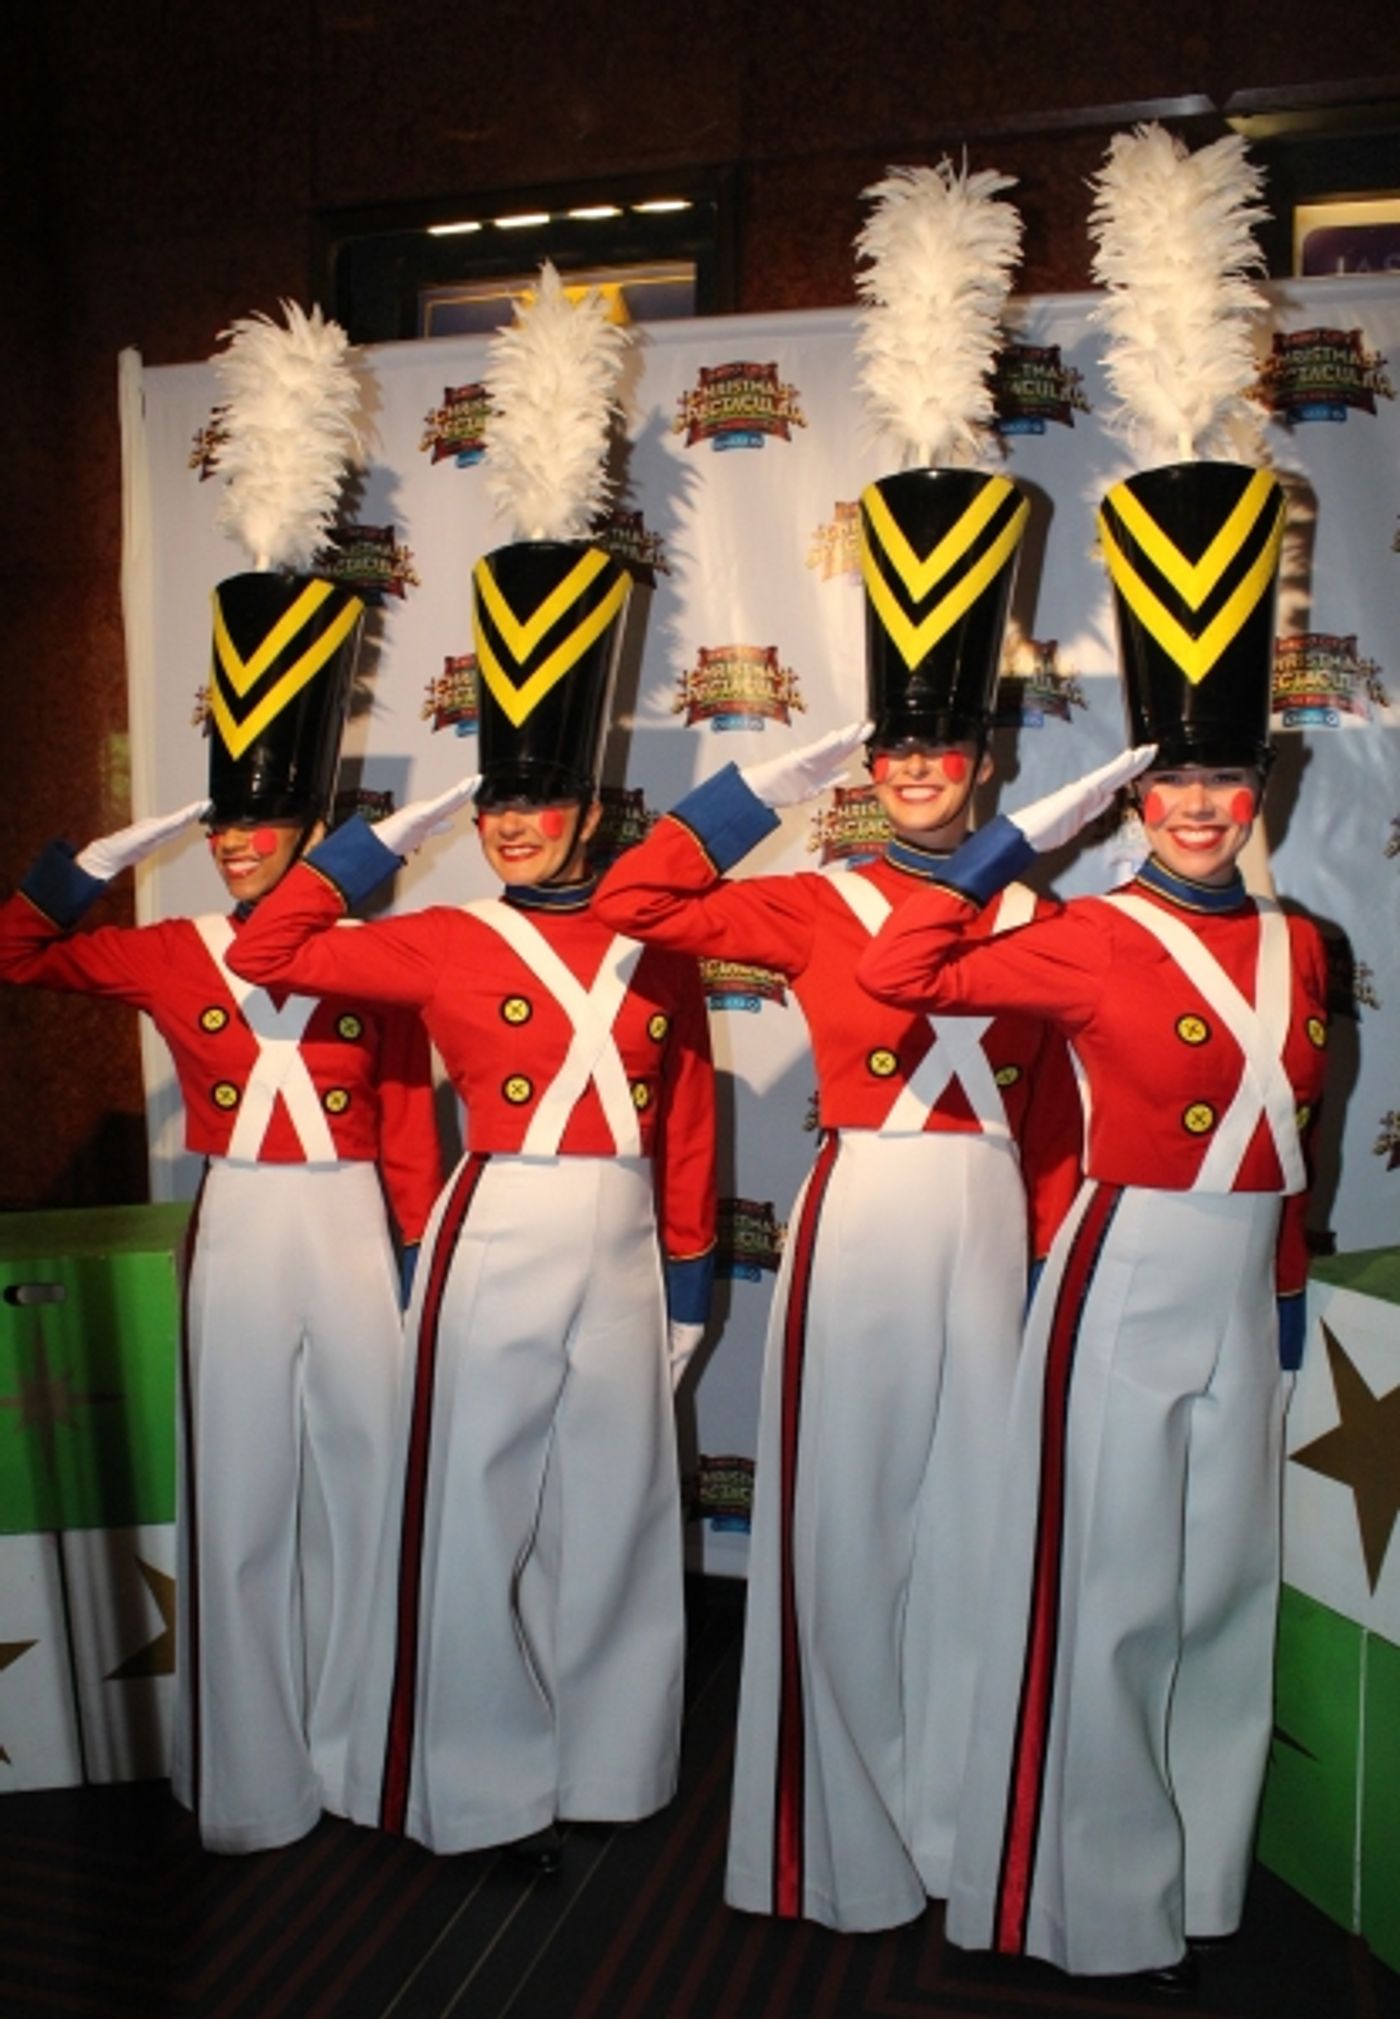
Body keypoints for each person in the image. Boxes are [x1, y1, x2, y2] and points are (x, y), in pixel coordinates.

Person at [857, 459, 1328, 1984]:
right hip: (1113, 1279)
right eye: (1171, 781)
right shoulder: (1085, 933)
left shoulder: (1306, 947)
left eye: (1223, 780)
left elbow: (1294, 1147)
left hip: (1236, 1288)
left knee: (1220, 1596)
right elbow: (905, 975)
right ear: (1134, 789)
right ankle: (1088, 1896)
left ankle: (1196, 1880)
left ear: (1260, 787)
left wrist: (1282, 1293)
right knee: (1107, 1598)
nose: (1198, 807)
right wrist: (1009, 846)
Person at [592, 467, 1082, 1932]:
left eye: (945, 746)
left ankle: (964, 1814)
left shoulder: (1039, 913)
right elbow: (634, 901)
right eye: (897, 748)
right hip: (860, 1211)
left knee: (983, 1523)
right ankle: (850, 1845)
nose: (922, 769)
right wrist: (773, 785)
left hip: (993, 1221)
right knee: (847, 1528)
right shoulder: (812, 899)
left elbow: (1056, 1113)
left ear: (988, 761)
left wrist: (1056, 1256)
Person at [226, 533, 717, 1864]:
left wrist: (686, 1275)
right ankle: (477, 1786)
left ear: (594, 807)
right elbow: (269, 948)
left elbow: (690, 1120)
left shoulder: (656, 936)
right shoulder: (445, 936)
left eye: (538, 795)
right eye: (496, 796)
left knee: (616, 1505)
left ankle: (613, 1765)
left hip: (618, 1240)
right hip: (492, 1225)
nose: (511, 819)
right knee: (470, 1511)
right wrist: (384, 837)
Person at [0, 767, 441, 1853]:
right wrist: (94, 867)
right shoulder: (167, 950)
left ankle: (364, 1753)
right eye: (223, 824)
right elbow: (15, 951)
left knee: (371, 1487)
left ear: (312, 833)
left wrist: (419, 1257)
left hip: (349, 1228)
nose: (236, 843)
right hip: (238, 1224)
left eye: (263, 823)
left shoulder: (363, 948)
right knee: (238, 1499)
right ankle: (252, 1777)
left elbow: (400, 1111)